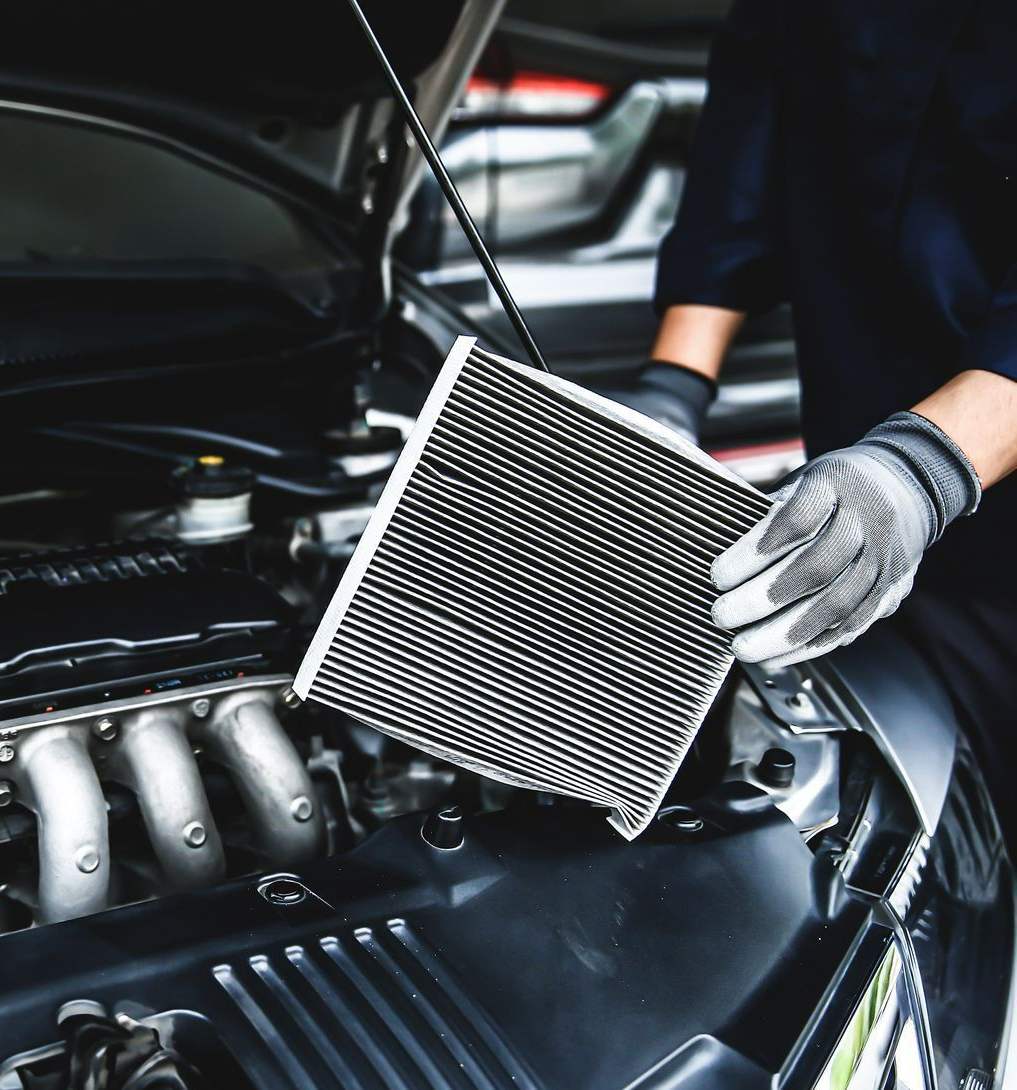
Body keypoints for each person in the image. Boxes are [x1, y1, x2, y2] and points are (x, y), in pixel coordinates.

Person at [616, 0, 1017, 840]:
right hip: (869, 477)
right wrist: (672, 384)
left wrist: (925, 468)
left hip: (952, 473)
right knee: (940, 808)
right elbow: (751, 131)